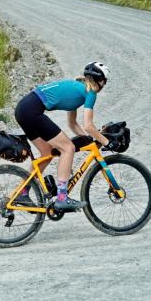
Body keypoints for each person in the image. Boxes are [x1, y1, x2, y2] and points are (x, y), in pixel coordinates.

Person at [14, 62, 112, 211]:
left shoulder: (78, 88)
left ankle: (22, 192)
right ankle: (62, 198)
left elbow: (72, 124)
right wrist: (107, 142)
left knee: (47, 153)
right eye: (104, 82)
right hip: (32, 111)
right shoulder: (90, 93)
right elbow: (88, 125)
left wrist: (89, 139)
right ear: (101, 81)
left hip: (23, 109)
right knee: (68, 148)